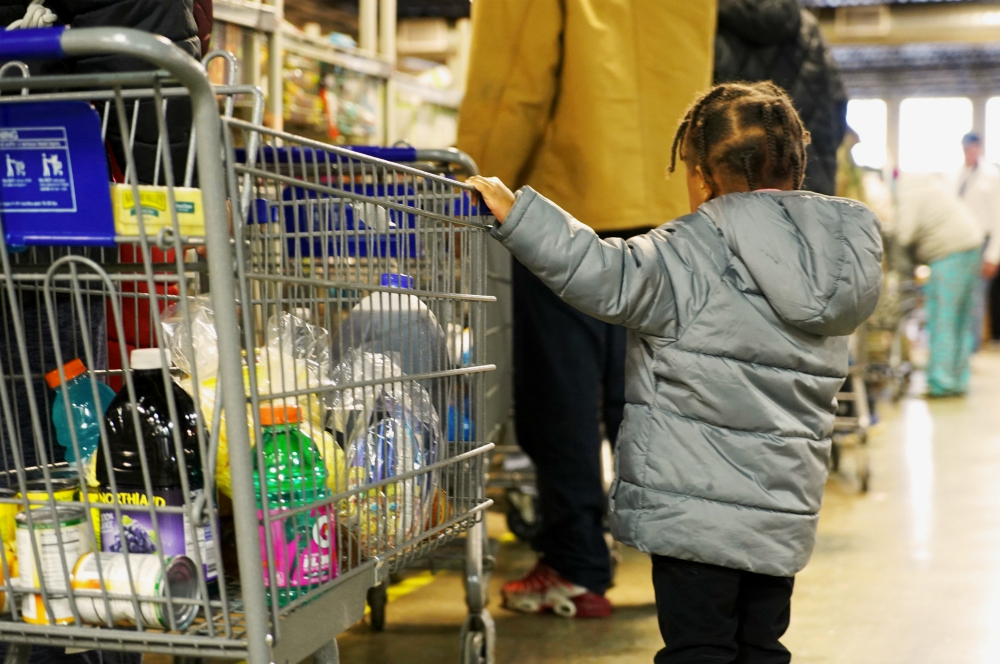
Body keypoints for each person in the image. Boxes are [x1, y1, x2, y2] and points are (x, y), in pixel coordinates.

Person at [470, 81, 882, 663]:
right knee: (761, 645)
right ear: (797, 164)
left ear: (703, 178)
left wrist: (520, 215)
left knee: (699, 647)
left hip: (696, 518)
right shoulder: (839, 258)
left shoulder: (689, 250)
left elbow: (601, 272)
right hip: (782, 513)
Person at [456, 0, 716, 617]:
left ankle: (576, 563)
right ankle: (693, 564)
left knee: (563, 402)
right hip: (673, 198)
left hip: (571, 205)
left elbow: (516, 79)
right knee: (657, 398)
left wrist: (472, 177)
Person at [714, 0, 847, 196]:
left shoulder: (706, 25)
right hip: (804, 187)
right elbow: (838, 106)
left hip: (726, 189)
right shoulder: (808, 30)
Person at [897, 173, 984, 397]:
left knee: (942, 318)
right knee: (959, 320)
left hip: (949, 253)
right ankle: (957, 380)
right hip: (970, 246)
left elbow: (903, 235)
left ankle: (942, 383)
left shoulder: (907, 194)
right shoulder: (928, 187)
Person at [955, 132, 1000, 349]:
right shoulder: (957, 175)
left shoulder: (992, 176)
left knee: (976, 296)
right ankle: (961, 344)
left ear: (979, 148)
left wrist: (993, 254)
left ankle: (972, 347)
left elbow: (998, 216)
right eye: (966, 148)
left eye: (973, 147)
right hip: (959, 241)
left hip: (983, 241)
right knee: (960, 295)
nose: (969, 152)